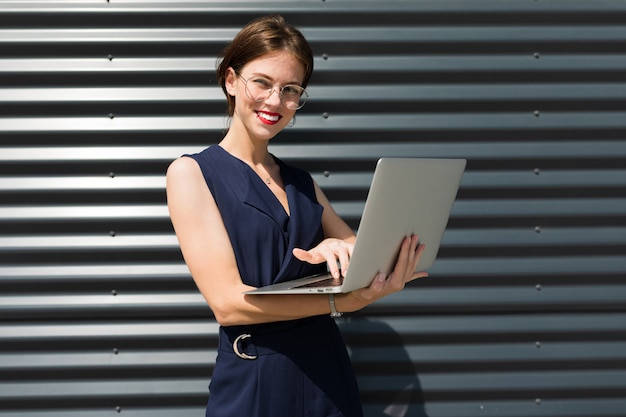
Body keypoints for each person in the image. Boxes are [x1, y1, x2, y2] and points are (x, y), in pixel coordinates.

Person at [166, 14, 428, 417]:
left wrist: (339, 247)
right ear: (231, 80)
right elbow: (228, 304)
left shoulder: (302, 183)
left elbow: (361, 250)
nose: (276, 102)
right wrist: (343, 303)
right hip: (255, 378)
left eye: (291, 90)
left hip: (327, 374)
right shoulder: (192, 173)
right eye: (263, 83)